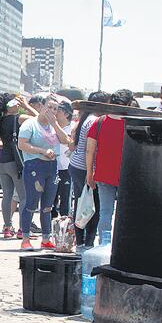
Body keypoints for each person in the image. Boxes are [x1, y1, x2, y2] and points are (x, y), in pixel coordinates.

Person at [17, 95, 72, 251]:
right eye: (49, 107)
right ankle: (25, 238)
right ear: (41, 107)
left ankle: (46, 238)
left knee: (48, 206)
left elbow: (65, 140)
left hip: (52, 167)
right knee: (31, 203)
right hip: (35, 166)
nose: (51, 111)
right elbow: (22, 144)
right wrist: (42, 151)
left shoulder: (54, 126)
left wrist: (55, 124)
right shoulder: (30, 124)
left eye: (55, 109)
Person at [85, 89, 135, 244]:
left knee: (105, 212)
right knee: (126, 213)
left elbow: (89, 150)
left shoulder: (100, 121)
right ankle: (123, 244)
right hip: (127, 175)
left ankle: (104, 244)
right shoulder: (132, 122)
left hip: (103, 174)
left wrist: (89, 173)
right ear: (129, 104)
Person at [0, 93, 36, 239]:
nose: (18, 105)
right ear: (11, 105)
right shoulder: (19, 119)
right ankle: (23, 229)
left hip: (2, 162)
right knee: (24, 197)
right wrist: (27, 106)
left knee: (7, 196)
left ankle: (7, 228)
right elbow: (40, 119)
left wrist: (5, 143)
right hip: (16, 162)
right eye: (16, 103)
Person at [69, 91, 110, 248]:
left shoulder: (86, 117)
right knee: (92, 206)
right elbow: (89, 150)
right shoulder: (95, 120)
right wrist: (90, 172)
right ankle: (88, 243)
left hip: (76, 165)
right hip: (85, 167)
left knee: (81, 203)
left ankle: (80, 241)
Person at [51, 101, 75, 218]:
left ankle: (65, 228)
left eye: (58, 110)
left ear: (66, 114)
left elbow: (68, 141)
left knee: (65, 200)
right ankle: (51, 227)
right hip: (52, 168)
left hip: (66, 169)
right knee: (51, 200)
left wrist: (54, 124)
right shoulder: (51, 127)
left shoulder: (72, 129)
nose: (55, 113)